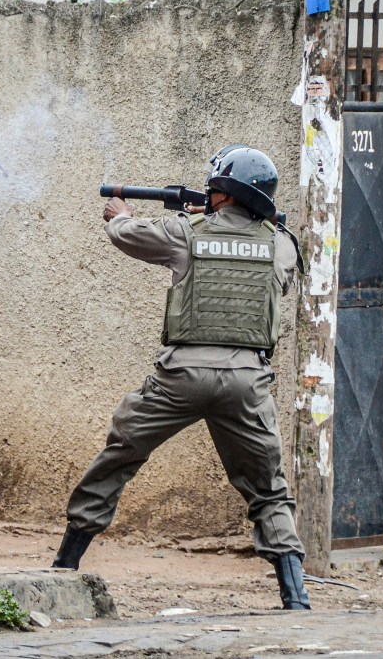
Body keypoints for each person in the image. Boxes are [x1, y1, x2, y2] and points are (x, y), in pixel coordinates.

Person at [51, 145, 311, 611]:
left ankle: (64, 567)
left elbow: (129, 235)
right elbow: (273, 273)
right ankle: (295, 597)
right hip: (247, 380)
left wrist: (119, 213)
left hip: (181, 377)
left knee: (121, 452)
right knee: (268, 487)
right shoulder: (282, 243)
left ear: (225, 192)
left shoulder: (184, 233)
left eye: (215, 187)